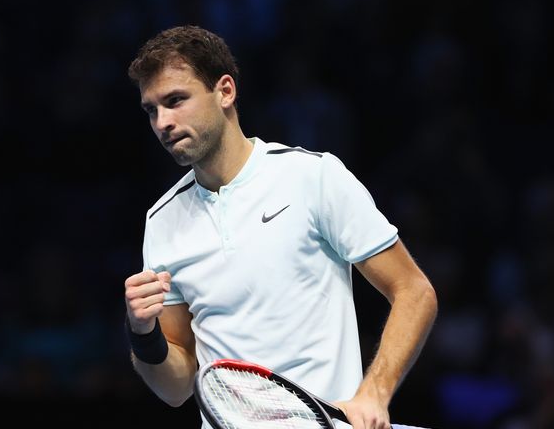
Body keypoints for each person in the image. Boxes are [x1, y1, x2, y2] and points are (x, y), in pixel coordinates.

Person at [123, 25, 438, 429]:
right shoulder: (162, 220)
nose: (163, 122)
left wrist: (374, 393)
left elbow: (415, 291)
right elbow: (177, 388)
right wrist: (142, 333)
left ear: (225, 91)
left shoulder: (313, 177)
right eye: (152, 109)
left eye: (175, 101)